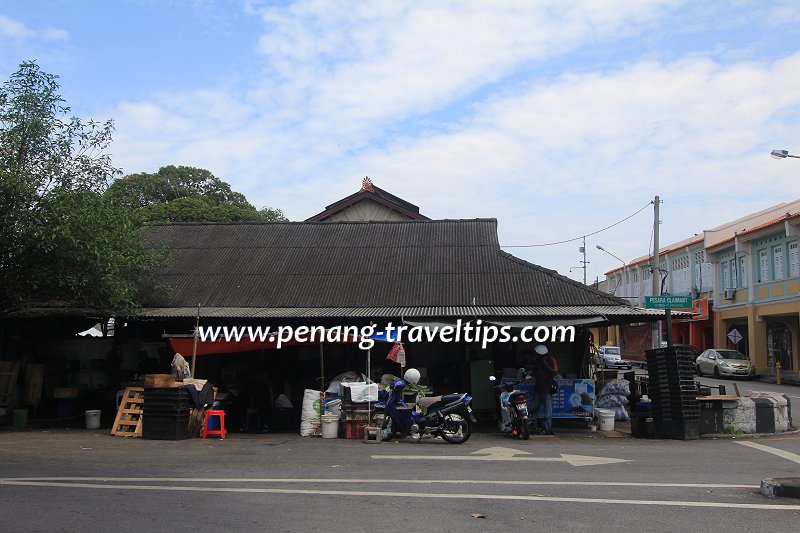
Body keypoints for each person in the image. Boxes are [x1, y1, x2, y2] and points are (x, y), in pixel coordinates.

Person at [530, 344, 558, 435]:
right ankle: (532, 427)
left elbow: (555, 371)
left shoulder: (551, 360)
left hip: (547, 388)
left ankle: (546, 428)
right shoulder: (536, 361)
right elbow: (534, 372)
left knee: (548, 410)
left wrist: (545, 364)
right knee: (534, 408)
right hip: (538, 387)